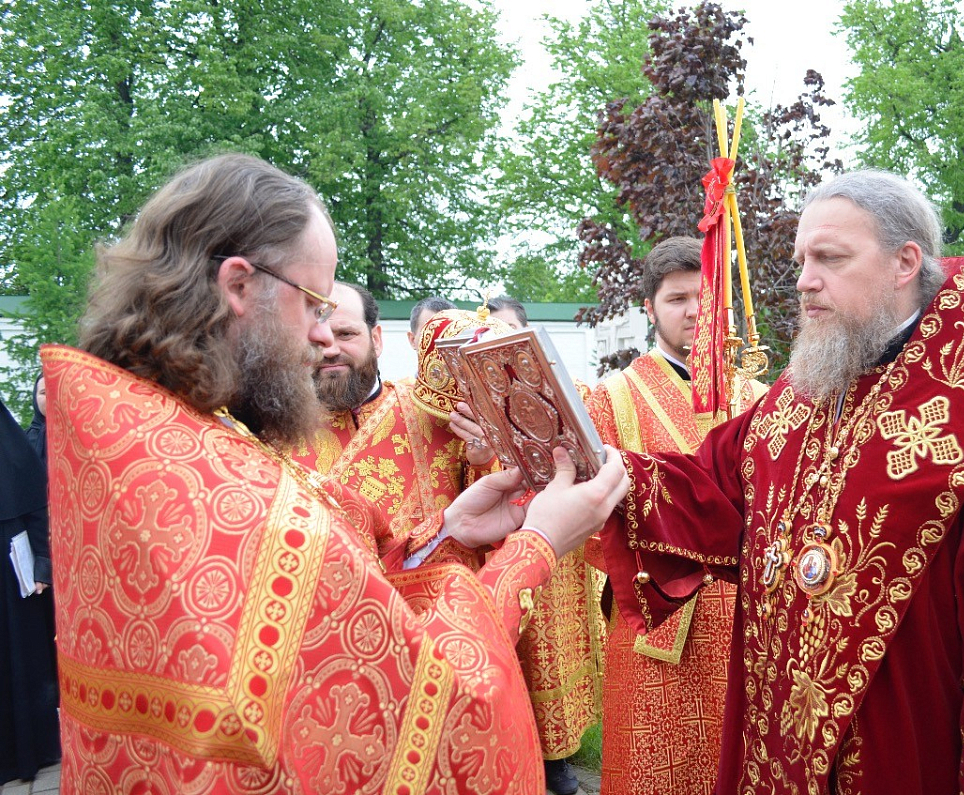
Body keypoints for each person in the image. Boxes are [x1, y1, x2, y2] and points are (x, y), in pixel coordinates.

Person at [45, 153, 628, 795]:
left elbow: (331, 618)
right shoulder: (205, 485)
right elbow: (405, 710)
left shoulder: (164, 433)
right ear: (239, 286)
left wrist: (450, 532)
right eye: (314, 304)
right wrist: (536, 547)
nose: (324, 338)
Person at [597, 170, 964, 793]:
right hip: (776, 728)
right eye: (802, 261)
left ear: (904, 263)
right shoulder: (807, 386)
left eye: (830, 259)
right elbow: (712, 489)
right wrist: (597, 469)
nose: (805, 280)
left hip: (905, 742)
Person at [586, 237, 764, 795]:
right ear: (650, 309)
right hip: (659, 625)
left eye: (704, 298)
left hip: (750, 622)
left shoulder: (760, 397)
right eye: (677, 299)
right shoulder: (612, 399)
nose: (694, 312)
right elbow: (588, 518)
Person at [452, 295, 605, 795]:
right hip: (507, 548)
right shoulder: (469, 404)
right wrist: (479, 456)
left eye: (506, 335)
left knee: (554, 655)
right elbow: (464, 495)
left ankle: (557, 760)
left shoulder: (575, 390)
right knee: (514, 654)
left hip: (563, 551)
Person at [290, 283, 497, 557]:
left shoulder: (439, 413)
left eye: (345, 334)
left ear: (376, 339)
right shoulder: (275, 432)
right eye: (314, 338)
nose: (329, 350)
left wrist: (483, 459)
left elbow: (490, 528)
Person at [0, 394, 58, 784]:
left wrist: (42, 566)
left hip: (10, 570)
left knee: (19, 660)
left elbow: (35, 506)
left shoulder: (14, 452)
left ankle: (25, 754)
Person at [24, 375, 47, 467]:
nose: (50, 397)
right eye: (44, 392)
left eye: (55, 392)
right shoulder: (22, 441)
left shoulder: (81, 436)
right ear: (35, 397)